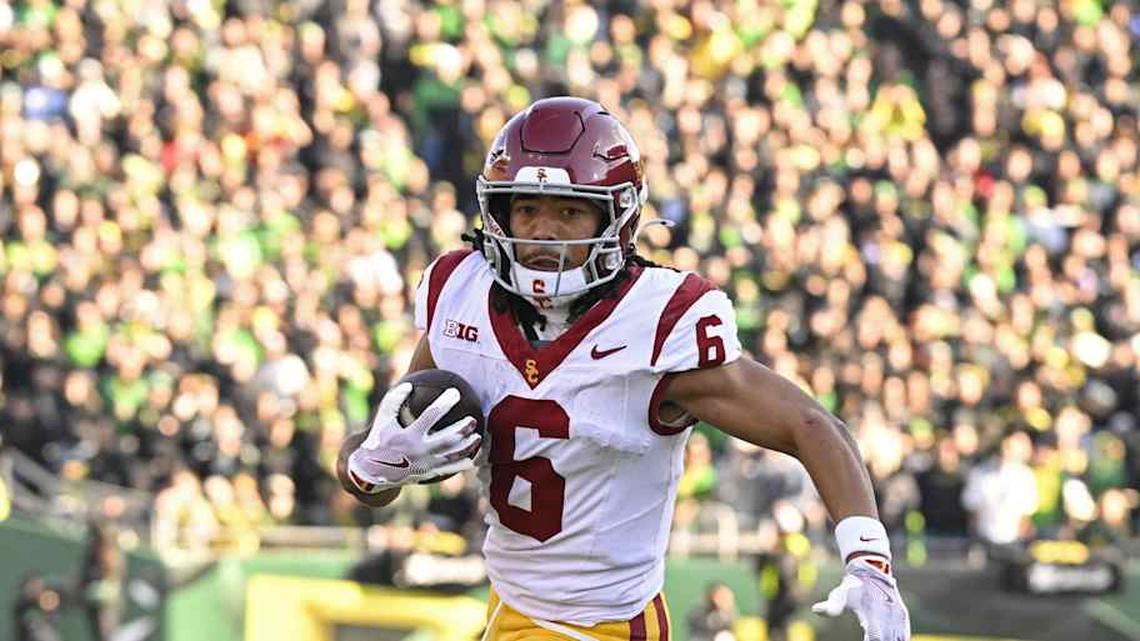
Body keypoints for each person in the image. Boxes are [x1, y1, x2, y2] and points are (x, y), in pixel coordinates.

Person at [338, 97, 911, 641]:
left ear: (618, 220)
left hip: (603, 624)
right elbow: (374, 460)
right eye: (527, 208)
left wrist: (868, 557)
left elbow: (811, 426)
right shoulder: (458, 294)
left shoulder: (657, 322)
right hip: (512, 609)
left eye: (569, 211)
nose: (543, 231)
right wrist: (370, 468)